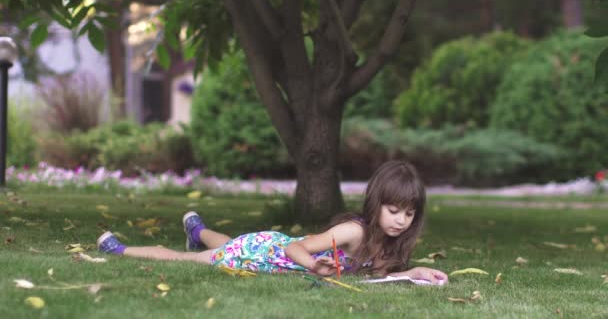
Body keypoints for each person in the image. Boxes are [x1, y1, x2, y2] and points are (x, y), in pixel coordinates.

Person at [97, 160, 448, 284]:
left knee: (228, 242)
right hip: (266, 253)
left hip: (269, 248)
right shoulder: (353, 231)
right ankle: (119, 249)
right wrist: (313, 265)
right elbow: (295, 246)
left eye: (409, 213)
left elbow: (375, 275)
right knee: (193, 259)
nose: (401, 221)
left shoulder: (392, 241)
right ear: (376, 204)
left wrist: (413, 273)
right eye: (393, 210)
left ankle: (197, 230)